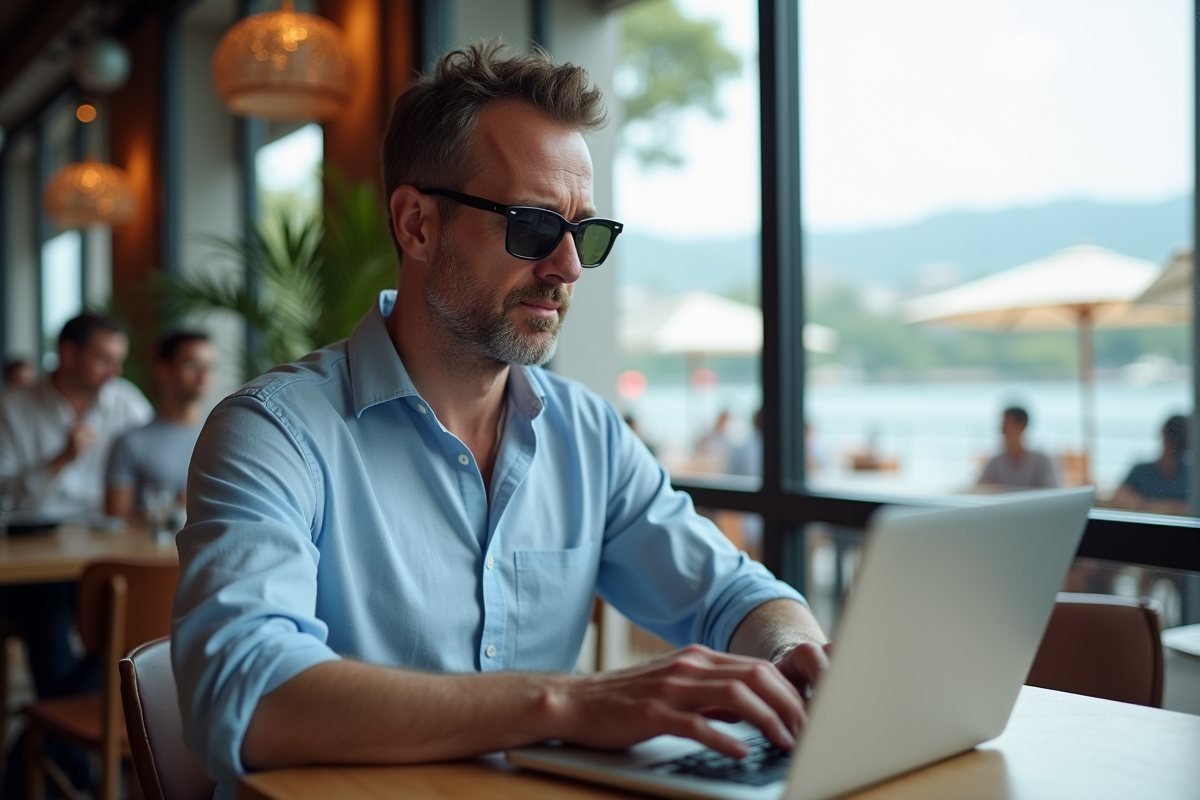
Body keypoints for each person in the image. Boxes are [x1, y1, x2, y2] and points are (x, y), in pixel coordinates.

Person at [172, 42, 829, 796]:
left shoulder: (589, 436)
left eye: (583, 233)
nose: (568, 267)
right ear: (417, 225)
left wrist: (794, 656)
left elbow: (732, 596)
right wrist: (567, 703)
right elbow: (244, 693)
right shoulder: (273, 433)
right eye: (532, 226)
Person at [105, 331, 216, 517]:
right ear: (163, 370)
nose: (204, 375)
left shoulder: (227, 434)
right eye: (192, 365)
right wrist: (174, 508)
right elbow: (117, 520)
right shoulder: (131, 442)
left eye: (210, 366)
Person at [1109, 414, 1189, 515]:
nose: (1172, 447)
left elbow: (1191, 509)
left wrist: (1142, 505)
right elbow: (1119, 501)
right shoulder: (1141, 471)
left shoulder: (1191, 477)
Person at [975, 406, 1058, 490]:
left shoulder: (1043, 461)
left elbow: (1052, 492)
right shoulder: (995, 462)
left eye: (1006, 425)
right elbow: (978, 489)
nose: (1002, 431)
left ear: (1021, 425)